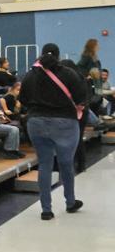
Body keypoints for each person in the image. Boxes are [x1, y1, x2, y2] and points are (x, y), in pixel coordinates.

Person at [20, 43, 88, 220]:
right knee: (66, 163)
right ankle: (70, 202)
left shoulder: (30, 75)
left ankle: (46, 209)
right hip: (65, 123)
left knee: (44, 164)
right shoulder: (68, 73)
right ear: (58, 56)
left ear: (41, 55)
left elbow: (23, 99)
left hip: (36, 122)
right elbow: (81, 97)